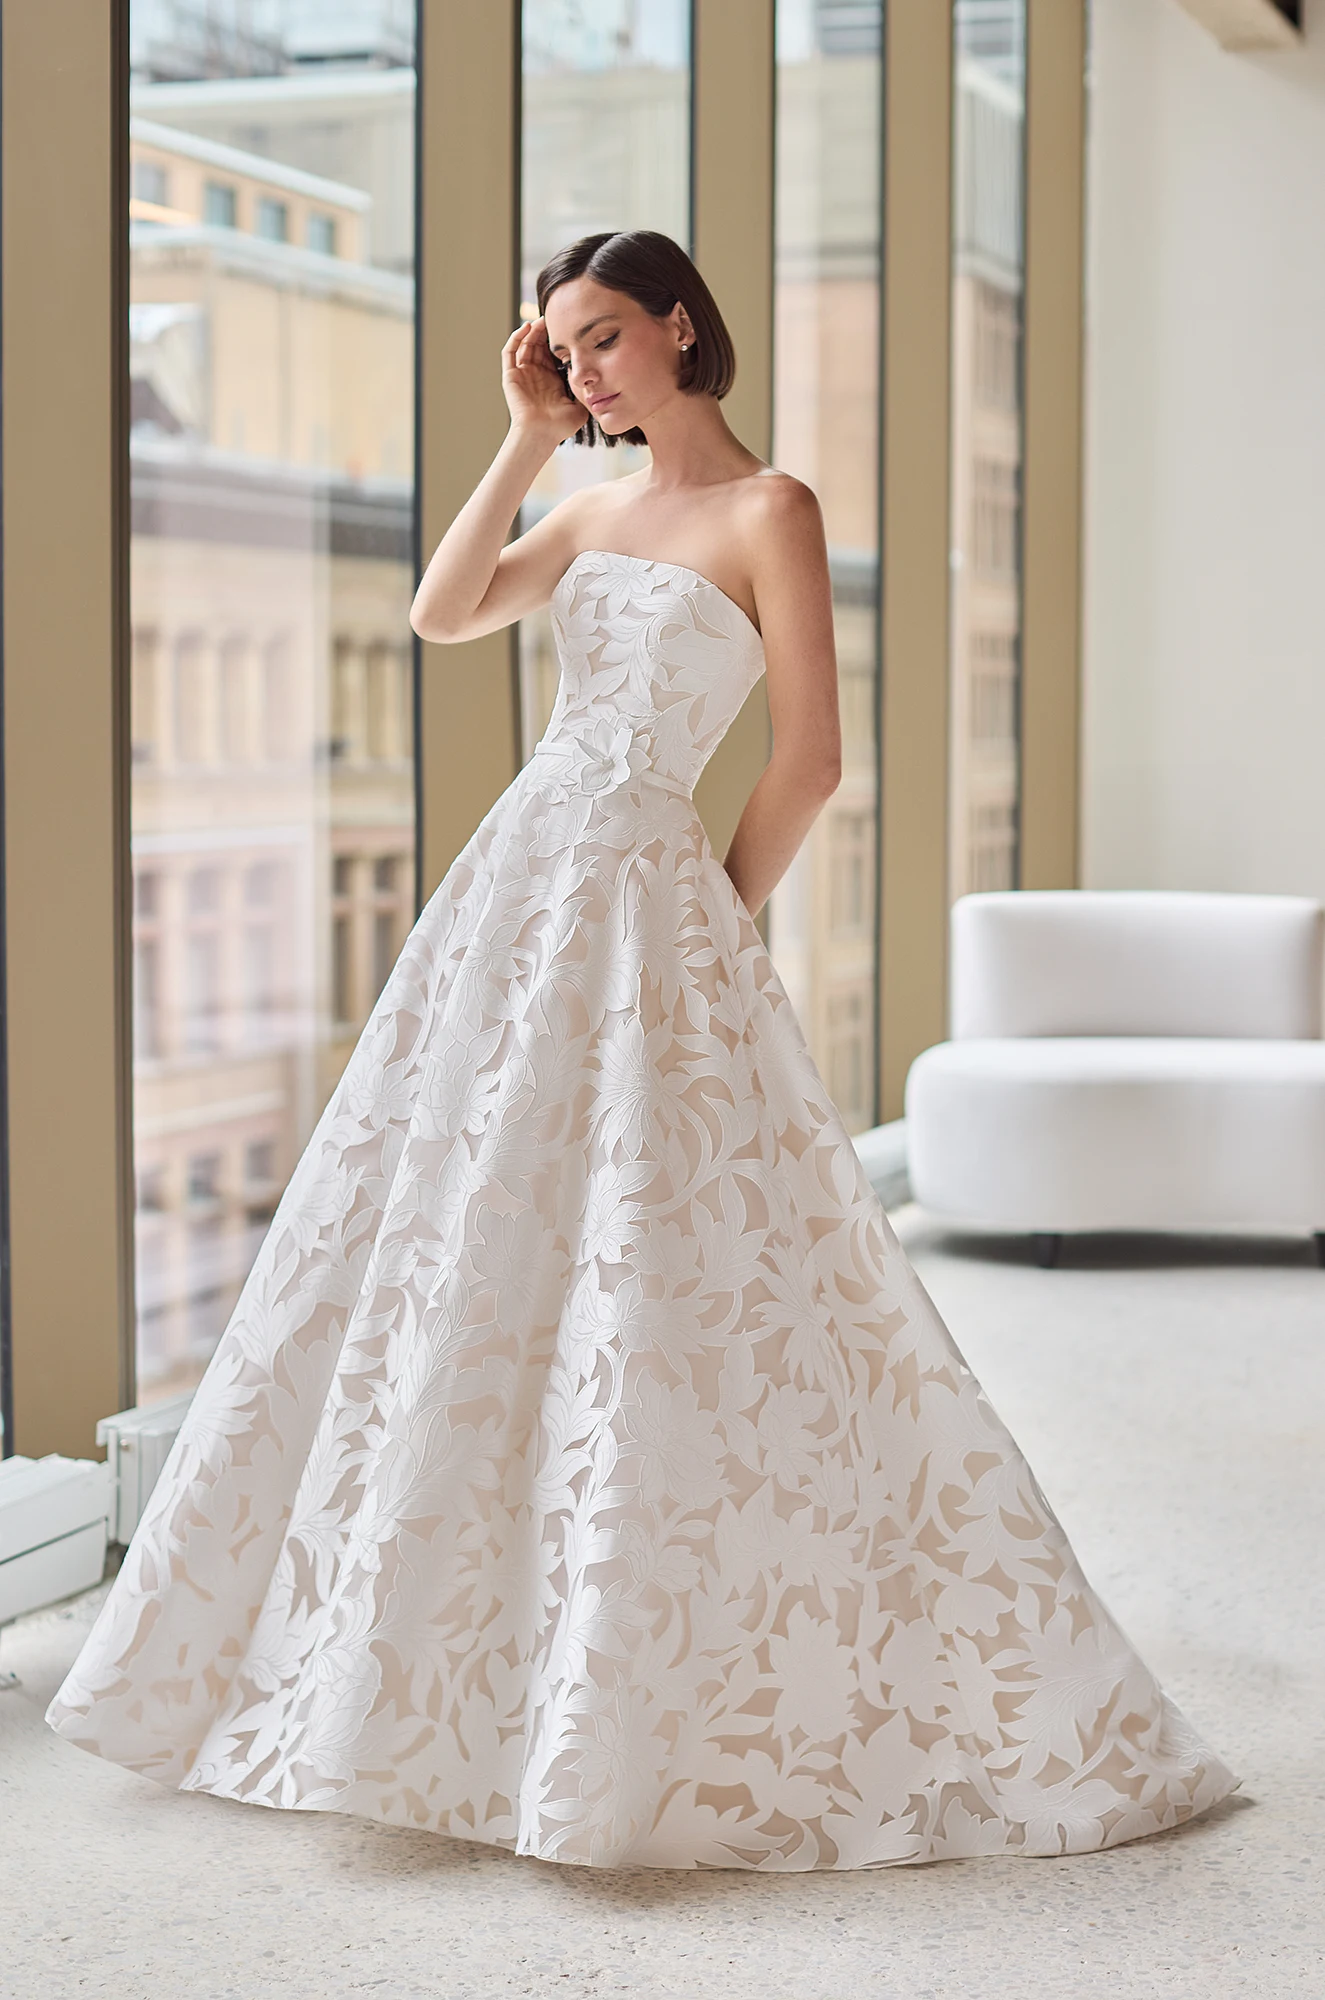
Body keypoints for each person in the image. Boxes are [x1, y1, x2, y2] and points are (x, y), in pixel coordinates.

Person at [48, 230, 1236, 1870]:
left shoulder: (773, 510)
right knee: (468, 1238)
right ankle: (446, 1660)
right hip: (520, 885)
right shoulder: (587, 503)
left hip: (652, 897)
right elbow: (441, 607)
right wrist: (526, 436)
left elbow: (809, 756)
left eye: (606, 337)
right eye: (564, 345)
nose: (589, 366)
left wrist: (718, 919)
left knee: (667, 1269)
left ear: (682, 325)